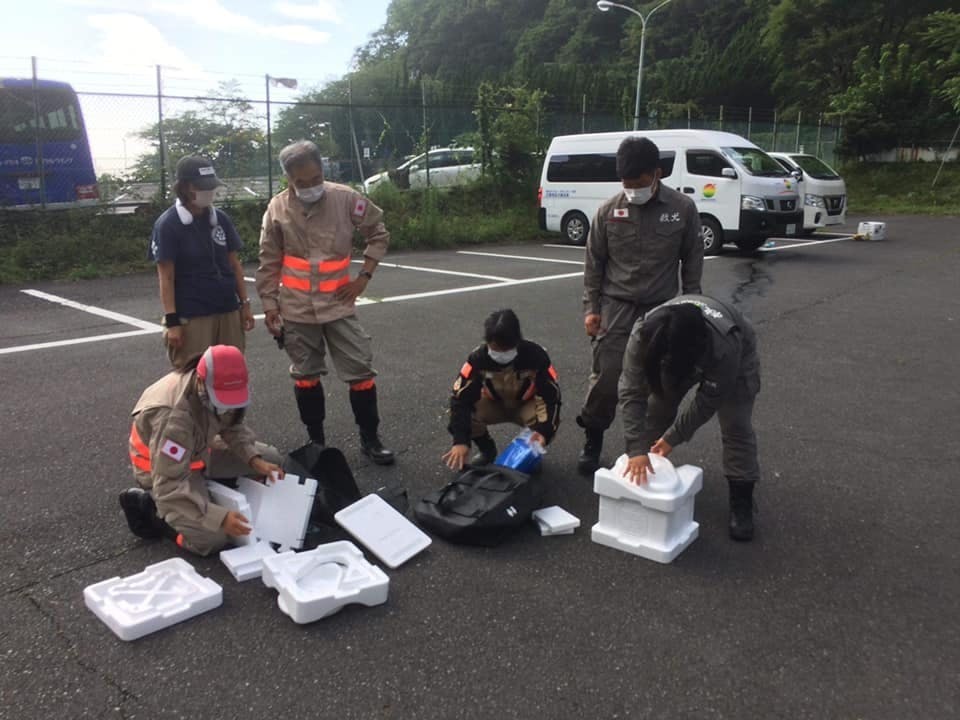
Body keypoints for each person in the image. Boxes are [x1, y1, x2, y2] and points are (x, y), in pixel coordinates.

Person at [255, 140, 394, 464]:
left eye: (315, 178)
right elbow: (268, 259)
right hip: (297, 308)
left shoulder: (346, 198)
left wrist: (364, 277)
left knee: (361, 371)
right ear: (288, 179)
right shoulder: (277, 208)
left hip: (338, 305)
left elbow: (378, 232)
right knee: (305, 375)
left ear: (323, 169)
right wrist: (270, 306)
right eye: (301, 182)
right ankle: (315, 442)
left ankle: (370, 439)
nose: (310, 186)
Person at [577, 136, 704, 474]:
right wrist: (592, 308)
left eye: (638, 182)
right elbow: (594, 263)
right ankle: (592, 439)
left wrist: (692, 303)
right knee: (607, 379)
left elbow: (693, 259)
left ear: (657, 173)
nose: (632, 189)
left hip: (662, 309)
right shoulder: (608, 211)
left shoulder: (682, 209)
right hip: (616, 308)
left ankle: (646, 449)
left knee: (659, 383)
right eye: (626, 183)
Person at [618, 295, 761, 541]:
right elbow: (631, 391)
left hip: (735, 357)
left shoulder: (725, 346)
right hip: (675, 348)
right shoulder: (645, 333)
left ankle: (742, 496)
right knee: (657, 408)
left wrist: (674, 437)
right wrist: (636, 448)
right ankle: (641, 476)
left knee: (736, 423)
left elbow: (708, 401)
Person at [119, 345, 285, 556]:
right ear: (201, 382)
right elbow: (168, 485)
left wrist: (254, 460)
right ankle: (153, 512)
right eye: (221, 401)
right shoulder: (173, 419)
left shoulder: (215, 386)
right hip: (162, 472)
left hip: (198, 450)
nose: (226, 408)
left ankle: (208, 491)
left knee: (272, 459)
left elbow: (232, 426)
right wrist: (220, 517)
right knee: (212, 539)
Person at [149, 156, 255, 369]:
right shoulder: (168, 225)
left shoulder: (220, 219)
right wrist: (172, 322)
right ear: (185, 187)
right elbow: (166, 277)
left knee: (231, 371)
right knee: (193, 375)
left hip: (227, 309)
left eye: (211, 187)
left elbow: (234, 265)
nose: (209, 192)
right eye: (202, 187)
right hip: (192, 315)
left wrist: (244, 304)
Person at [443, 309, 561, 471]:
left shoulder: (535, 356)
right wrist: (460, 441)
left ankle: (530, 454)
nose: (500, 354)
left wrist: (544, 431)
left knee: (545, 421)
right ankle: (487, 450)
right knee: (460, 415)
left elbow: (551, 397)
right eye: (495, 349)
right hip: (494, 403)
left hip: (525, 405)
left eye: (506, 350)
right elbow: (460, 400)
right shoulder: (478, 359)